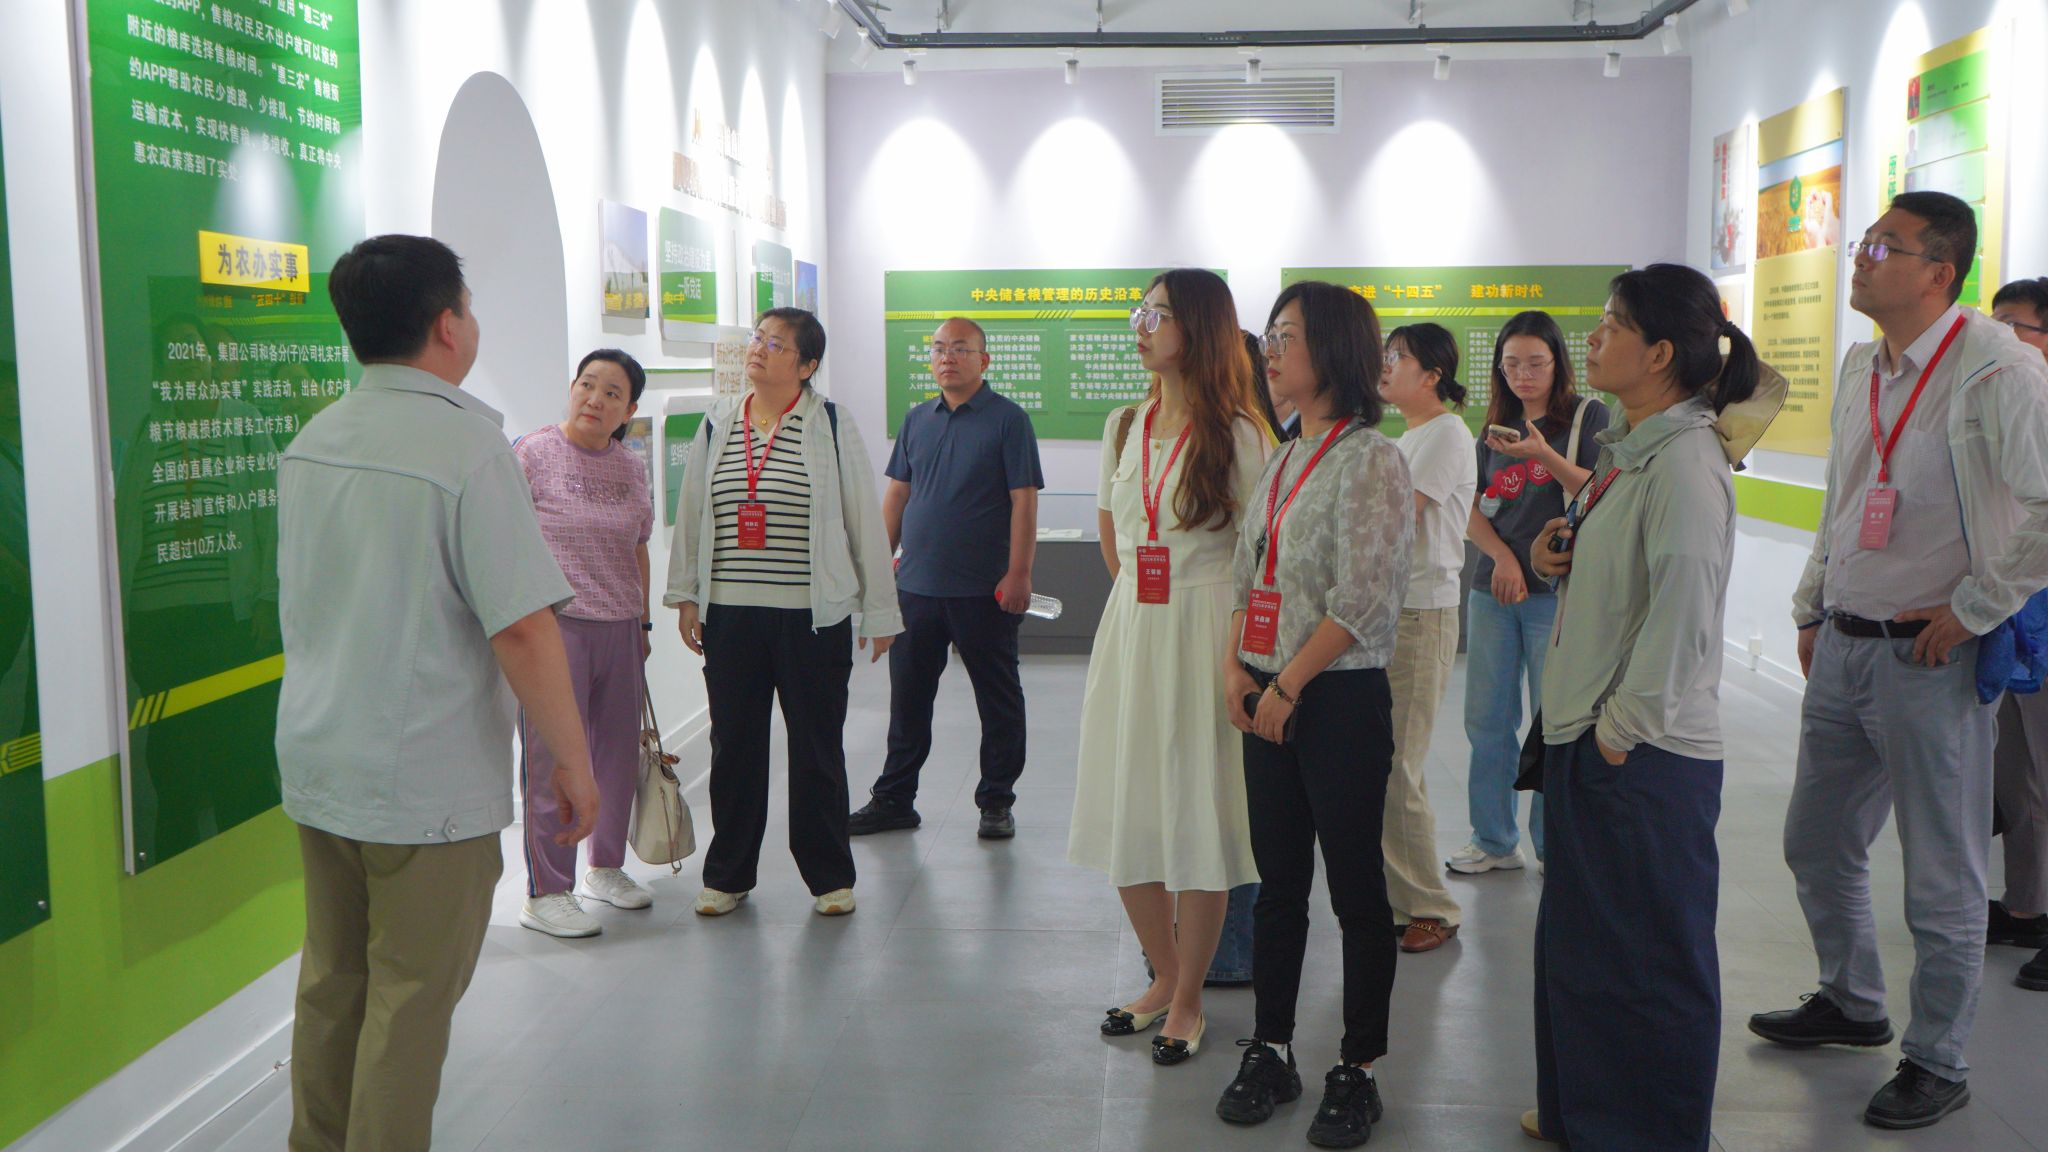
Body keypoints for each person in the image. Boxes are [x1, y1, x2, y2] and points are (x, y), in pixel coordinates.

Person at [275, 234, 598, 1150]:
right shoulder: (468, 449)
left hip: (320, 761)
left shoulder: (314, 439)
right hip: (423, 781)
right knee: (411, 999)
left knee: (333, 983)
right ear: (448, 325)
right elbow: (523, 628)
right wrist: (573, 764)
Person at [1750, 192, 2048, 1130]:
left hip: (1932, 659)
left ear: (1938, 273)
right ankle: (1853, 1002)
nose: (1863, 256)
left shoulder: (1999, 368)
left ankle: (1938, 1059)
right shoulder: (1861, 364)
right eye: (1865, 241)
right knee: (1816, 840)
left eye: (1885, 246)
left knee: (1941, 873)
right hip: (1845, 643)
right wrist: (1813, 605)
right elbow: (1846, 496)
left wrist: (1975, 609)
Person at [1523, 263, 1763, 1150]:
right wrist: (1557, 555)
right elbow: (1626, 579)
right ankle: (1584, 1113)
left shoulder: (1689, 464)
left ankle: (1647, 1132)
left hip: (1643, 755)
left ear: (1660, 353)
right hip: (1590, 732)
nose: (1592, 339)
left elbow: (1682, 617)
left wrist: (1620, 734)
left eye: (1612, 324)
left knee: (1647, 964)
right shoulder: (1633, 447)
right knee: (1586, 950)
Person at [1213, 281, 1411, 1149]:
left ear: (1332, 348)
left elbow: (1363, 598)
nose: (1270, 351)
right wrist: (1235, 668)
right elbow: (1247, 574)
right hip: (1267, 689)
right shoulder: (1285, 453)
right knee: (1279, 887)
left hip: (1334, 697)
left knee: (1357, 892)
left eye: (1286, 336)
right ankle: (1273, 1047)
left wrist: (1287, 685)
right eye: (1271, 335)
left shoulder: (1373, 458)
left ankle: (1357, 1065)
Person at [1070, 267, 1269, 1065]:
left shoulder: (1243, 434)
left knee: (1198, 813)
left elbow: (1259, 559)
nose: (1141, 327)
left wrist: (1235, 654)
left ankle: (1189, 999)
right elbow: (1114, 534)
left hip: (1206, 628)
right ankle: (1162, 975)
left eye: (1155, 314)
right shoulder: (1124, 424)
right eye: (1139, 312)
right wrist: (1143, 599)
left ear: (1199, 326)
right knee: (1129, 803)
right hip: (1134, 627)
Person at [666, 308, 901, 918]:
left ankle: (829, 876)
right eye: (758, 338)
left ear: (806, 364)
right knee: (734, 747)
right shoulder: (719, 420)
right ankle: (728, 874)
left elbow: (863, 519)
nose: (759, 349)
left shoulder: (830, 423)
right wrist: (687, 594)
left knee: (817, 748)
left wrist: (880, 611)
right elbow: (692, 512)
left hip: (811, 618)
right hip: (732, 615)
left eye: (776, 344)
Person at [849, 316, 1042, 840]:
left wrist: (1019, 573)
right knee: (908, 702)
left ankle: (996, 801)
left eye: (960, 348)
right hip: (916, 588)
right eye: (938, 348)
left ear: (984, 360)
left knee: (998, 700)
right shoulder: (917, 419)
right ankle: (895, 799)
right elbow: (897, 496)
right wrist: (877, 574)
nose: (947, 357)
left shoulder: (1008, 420)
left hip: (985, 590)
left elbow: (1024, 501)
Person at [1454, 311, 1608, 876]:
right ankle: (1493, 839)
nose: (1524, 374)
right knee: (1487, 721)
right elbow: (1472, 506)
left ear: (1557, 363)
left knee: (1554, 721)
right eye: (1512, 364)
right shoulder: (1495, 428)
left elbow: (1598, 493)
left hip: (1557, 592)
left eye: (1536, 363)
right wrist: (1500, 557)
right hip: (1493, 589)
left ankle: (1552, 843)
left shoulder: (1588, 418)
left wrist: (1543, 454)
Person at [513, 349, 656, 938]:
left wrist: (643, 624)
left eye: (612, 393)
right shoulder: (532, 454)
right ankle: (547, 891)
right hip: (556, 627)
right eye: (587, 385)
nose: (595, 400)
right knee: (553, 759)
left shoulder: (631, 468)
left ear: (629, 410)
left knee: (617, 756)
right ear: (572, 388)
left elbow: (638, 546)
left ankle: (606, 866)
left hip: (620, 626)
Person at [1377, 322, 1474, 953]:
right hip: (1392, 612)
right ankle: (1399, 895)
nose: (1385, 366)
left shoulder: (1446, 433)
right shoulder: (1407, 436)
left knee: (1399, 765)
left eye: (1398, 357)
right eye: (1385, 355)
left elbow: (1397, 518)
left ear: (1433, 374)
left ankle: (1431, 906)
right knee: (1383, 762)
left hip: (1421, 612)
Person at [1988, 276, 2048, 993]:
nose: (1999, 339)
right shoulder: (2013, 410)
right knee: (2020, 774)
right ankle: (2028, 906)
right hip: (2019, 619)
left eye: (2015, 326)